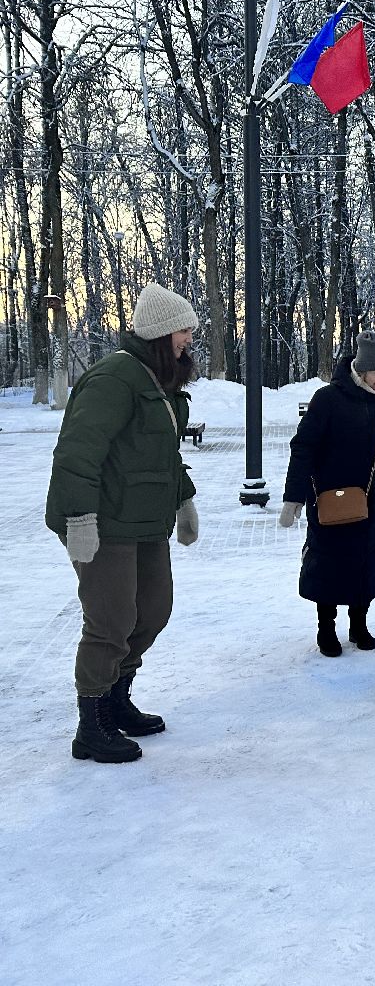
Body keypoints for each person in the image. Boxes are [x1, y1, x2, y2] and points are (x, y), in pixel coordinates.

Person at [46, 282, 201, 763]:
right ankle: (90, 726)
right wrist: (80, 519)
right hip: (105, 522)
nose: (188, 341)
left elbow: (163, 455)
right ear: (160, 334)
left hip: (146, 522)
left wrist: (184, 500)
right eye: (183, 332)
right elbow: (78, 451)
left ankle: (116, 698)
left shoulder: (157, 381)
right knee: (110, 622)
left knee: (152, 611)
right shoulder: (114, 378)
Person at [280, 330, 375, 657]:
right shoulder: (328, 399)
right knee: (328, 562)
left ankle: (359, 623)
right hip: (329, 499)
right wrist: (293, 497)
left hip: (370, 499)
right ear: (361, 369)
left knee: (366, 560)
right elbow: (303, 447)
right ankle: (326, 628)